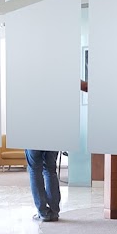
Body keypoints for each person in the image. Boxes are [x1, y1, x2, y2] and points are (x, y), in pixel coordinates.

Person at [26, 79, 88, 223]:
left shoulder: (31, 76)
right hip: (53, 128)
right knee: (50, 169)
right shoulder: (61, 75)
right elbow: (85, 86)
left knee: (35, 170)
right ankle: (53, 211)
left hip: (33, 127)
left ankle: (43, 212)